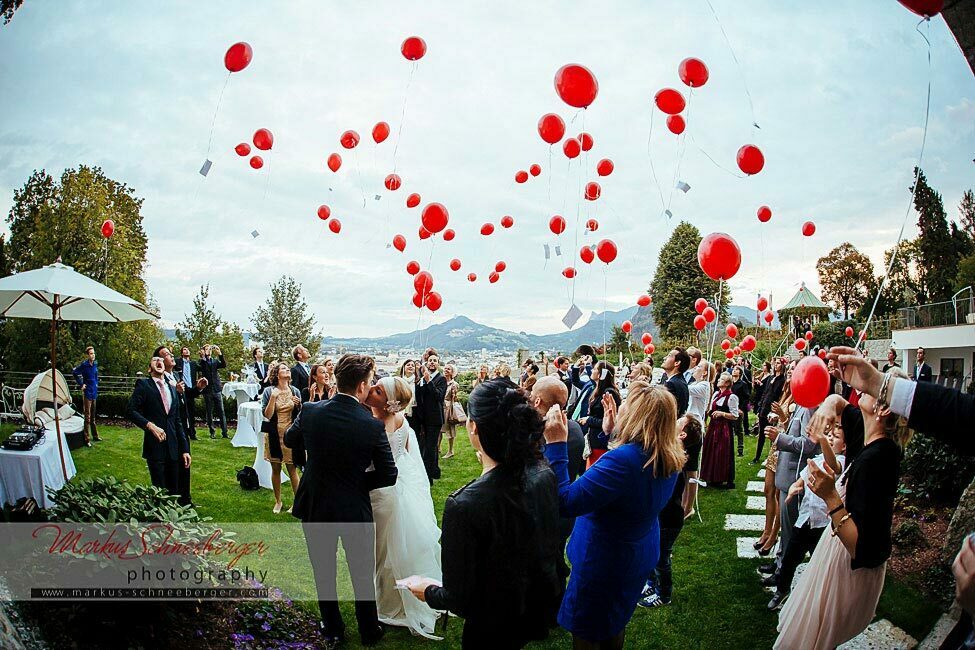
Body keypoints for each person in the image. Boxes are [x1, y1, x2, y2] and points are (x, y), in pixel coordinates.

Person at [401, 378, 562, 649]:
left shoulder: (464, 505)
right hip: (530, 605)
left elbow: (460, 599)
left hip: (490, 623)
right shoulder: (543, 473)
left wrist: (427, 591)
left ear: (473, 427)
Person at [775, 368, 911, 649]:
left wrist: (830, 497)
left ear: (883, 408)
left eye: (876, 385)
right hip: (833, 551)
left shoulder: (879, 459)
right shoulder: (866, 433)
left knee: (817, 640)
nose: (865, 384)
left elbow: (863, 549)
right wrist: (826, 406)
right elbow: (838, 403)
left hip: (850, 568)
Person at [541, 382, 682, 649]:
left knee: (588, 628)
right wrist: (611, 436)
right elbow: (628, 485)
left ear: (637, 417)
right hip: (637, 551)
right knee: (614, 621)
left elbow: (564, 502)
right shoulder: (667, 454)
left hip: (605, 561)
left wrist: (557, 446)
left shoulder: (624, 461)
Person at [284, 354, 397, 648]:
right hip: (353, 506)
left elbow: (289, 439)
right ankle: (370, 630)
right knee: (361, 571)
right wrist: (357, 484)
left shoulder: (310, 411)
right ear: (362, 385)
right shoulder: (371, 425)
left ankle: (333, 628)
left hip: (316, 502)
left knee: (323, 569)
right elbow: (389, 474)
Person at [363, 376, 443, 639]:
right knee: (392, 549)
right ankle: (398, 597)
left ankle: (386, 604)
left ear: (388, 403)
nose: (371, 390)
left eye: (377, 390)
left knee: (382, 553)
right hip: (398, 490)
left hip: (379, 493)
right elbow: (408, 459)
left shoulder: (374, 425)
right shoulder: (402, 422)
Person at [768, 417, 846, 611]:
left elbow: (833, 465)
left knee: (820, 565)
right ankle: (782, 590)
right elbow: (802, 478)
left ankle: (821, 600)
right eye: (828, 434)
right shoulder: (818, 459)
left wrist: (821, 440)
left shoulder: (840, 463)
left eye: (834, 437)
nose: (829, 438)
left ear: (844, 447)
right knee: (789, 559)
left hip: (822, 525)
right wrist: (795, 487)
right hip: (804, 521)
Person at [826, 345, 975, 447]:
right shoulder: (863, 433)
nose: (865, 393)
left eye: (874, 394)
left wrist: (830, 493)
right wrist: (877, 384)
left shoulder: (879, 453)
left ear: (884, 408)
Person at [760, 364, 821, 587]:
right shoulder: (800, 406)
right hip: (786, 474)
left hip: (794, 476)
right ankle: (779, 562)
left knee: (790, 528)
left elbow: (811, 445)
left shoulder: (811, 408)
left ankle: (783, 571)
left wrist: (780, 439)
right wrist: (784, 424)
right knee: (785, 526)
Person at [640, 407, 702, 608]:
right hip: (659, 512)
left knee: (661, 557)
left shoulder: (676, 457)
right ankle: (651, 583)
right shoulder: (670, 451)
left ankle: (663, 594)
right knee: (652, 550)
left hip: (669, 516)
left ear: (682, 434)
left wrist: (688, 507)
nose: (675, 421)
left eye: (679, 422)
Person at [530, 375, 585, 595]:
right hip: (566, 512)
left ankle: (547, 606)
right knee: (556, 556)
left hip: (542, 511)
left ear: (536, 401)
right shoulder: (575, 429)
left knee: (541, 564)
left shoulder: (538, 435)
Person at [127, 356, 191, 496]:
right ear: (149, 369)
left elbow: (177, 421)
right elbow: (130, 411)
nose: (159, 362)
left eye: (161, 360)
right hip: (155, 446)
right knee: (159, 491)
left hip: (174, 448)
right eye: (155, 360)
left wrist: (185, 449)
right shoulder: (144, 385)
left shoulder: (173, 389)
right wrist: (150, 425)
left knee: (174, 490)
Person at [261, 362, 303, 514]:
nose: (287, 370)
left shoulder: (295, 390)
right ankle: (278, 501)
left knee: (292, 468)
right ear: (277, 374)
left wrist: (299, 406)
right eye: (284, 368)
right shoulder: (269, 391)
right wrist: (273, 398)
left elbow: (300, 415)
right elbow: (267, 415)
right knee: (276, 467)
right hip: (273, 433)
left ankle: (297, 503)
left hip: (290, 434)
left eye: (287, 368)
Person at [155, 345, 194, 507]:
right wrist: (176, 392)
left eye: (170, 354)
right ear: (159, 361)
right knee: (176, 464)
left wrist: (197, 388)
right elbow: (165, 404)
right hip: (170, 429)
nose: (171, 356)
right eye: (166, 354)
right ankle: (175, 498)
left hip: (182, 424)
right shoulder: (160, 380)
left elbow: (186, 395)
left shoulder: (176, 375)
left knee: (186, 462)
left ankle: (186, 498)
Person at [681, 361, 714, 519]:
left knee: (692, 468)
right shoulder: (698, 383)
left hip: (695, 428)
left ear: (706, 372)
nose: (695, 369)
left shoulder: (705, 386)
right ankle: (684, 502)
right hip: (688, 426)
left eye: (699, 367)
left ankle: (689, 506)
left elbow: (686, 389)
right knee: (686, 468)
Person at [700, 372, 739, 489]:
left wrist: (722, 413)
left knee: (721, 451)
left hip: (723, 428)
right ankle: (709, 476)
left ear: (727, 383)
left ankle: (720, 477)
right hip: (713, 426)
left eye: (721, 379)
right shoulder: (716, 394)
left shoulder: (731, 397)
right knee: (710, 449)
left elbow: (735, 415)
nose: (718, 381)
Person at [580, 361, 621, 469]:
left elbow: (610, 420)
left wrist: (589, 420)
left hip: (601, 442)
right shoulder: (598, 390)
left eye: (594, 369)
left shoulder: (609, 393)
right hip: (594, 441)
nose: (592, 371)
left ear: (600, 374)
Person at [414, 353, 447, 483]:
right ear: (426, 363)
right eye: (430, 360)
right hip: (423, 418)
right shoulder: (422, 378)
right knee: (424, 446)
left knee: (430, 447)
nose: (432, 362)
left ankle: (428, 476)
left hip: (434, 419)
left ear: (438, 364)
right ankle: (433, 471)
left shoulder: (441, 379)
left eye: (435, 361)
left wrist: (429, 382)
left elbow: (439, 396)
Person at [752, 357, 786, 464]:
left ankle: (772, 457)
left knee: (772, 434)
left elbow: (778, 395)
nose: (776, 365)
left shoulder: (782, 380)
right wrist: (760, 406)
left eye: (778, 363)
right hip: (764, 408)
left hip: (772, 409)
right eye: (775, 363)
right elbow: (765, 393)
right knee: (761, 433)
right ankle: (757, 457)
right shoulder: (771, 377)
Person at [71, 345, 100, 445]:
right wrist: (81, 384)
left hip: (94, 392)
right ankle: (86, 439)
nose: (93, 355)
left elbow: (96, 375)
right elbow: (74, 373)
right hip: (87, 392)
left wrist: (96, 384)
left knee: (93, 416)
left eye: (94, 353)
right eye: (91, 353)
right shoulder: (84, 365)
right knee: (87, 417)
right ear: (88, 355)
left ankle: (95, 436)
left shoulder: (95, 364)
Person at [198, 344, 227, 439]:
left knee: (221, 411)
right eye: (207, 349)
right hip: (207, 390)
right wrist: (203, 356)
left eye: (210, 349)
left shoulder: (215, 361)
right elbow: (202, 366)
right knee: (209, 412)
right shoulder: (202, 362)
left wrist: (220, 354)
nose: (209, 350)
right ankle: (212, 432)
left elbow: (223, 365)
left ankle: (225, 432)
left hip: (217, 389)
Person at [174, 347, 202, 439]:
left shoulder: (193, 364)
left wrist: (203, 356)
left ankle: (192, 434)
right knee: (182, 413)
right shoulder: (178, 362)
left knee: (191, 412)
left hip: (191, 390)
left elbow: (203, 367)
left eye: (188, 349)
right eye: (184, 349)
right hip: (182, 389)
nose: (187, 351)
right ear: (182, 353)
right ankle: (184, 433)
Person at [660, 348, 690, 417]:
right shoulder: (681, 382)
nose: (664, 358)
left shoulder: (671, 384)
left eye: (669, 355)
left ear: (677, 363)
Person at [440, 364, 461, 459]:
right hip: (440, 407)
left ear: (453, 372)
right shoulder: (441, 381)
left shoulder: (454, 384)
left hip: (449, 409)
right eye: (445, 368)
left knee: (450, 430)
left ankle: (450, 450)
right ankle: (438, 448)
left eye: (449, 369)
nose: (446, 370)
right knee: (438, 430)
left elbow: (455, 399)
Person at [731, 366, 751, 457]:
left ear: (740, 373)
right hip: (729, 409)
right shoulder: (730, 383)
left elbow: (746, 397)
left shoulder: (743, 384)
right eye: (734, 369)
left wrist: (741, 409)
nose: (734, 370)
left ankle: (740, 449)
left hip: (738, 409)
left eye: (736, 369)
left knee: (739, 430)